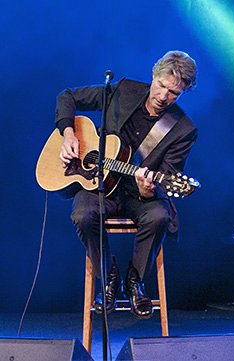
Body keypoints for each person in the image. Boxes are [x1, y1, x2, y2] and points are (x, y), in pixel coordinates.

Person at [56, 51, 198, 319]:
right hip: (98, 185)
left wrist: (150, 188)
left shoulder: (183, 129)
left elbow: (169, 175)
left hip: (138, 195)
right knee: (82, 214)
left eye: (174, 93)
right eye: (161, 86)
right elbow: (67, 96)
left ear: (183, 92)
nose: (164, 96)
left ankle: (135, 281)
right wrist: (69, 134)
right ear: (153, 76)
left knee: (159, 215)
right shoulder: (122, 91)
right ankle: (109, 277)